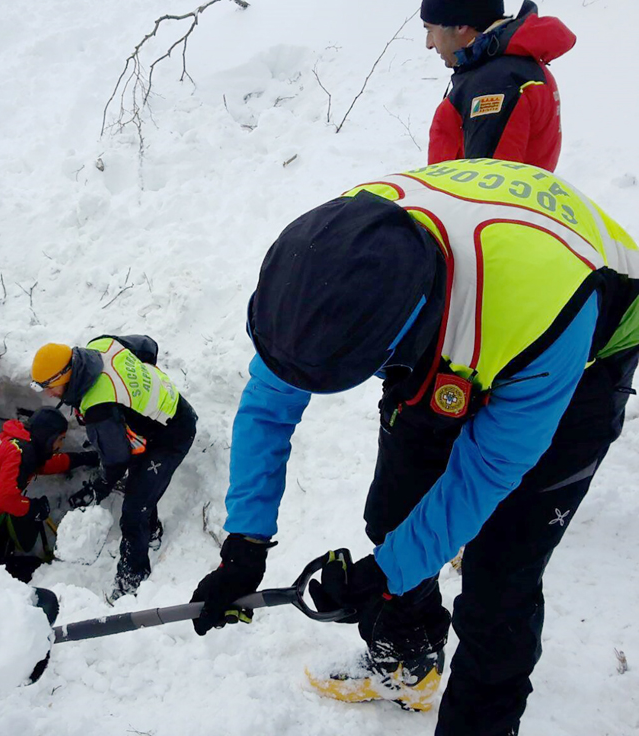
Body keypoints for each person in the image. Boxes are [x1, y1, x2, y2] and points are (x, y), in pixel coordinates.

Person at [190, 159, 639, 736]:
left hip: (582, 348)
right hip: (464, 303)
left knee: (499, 580)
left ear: (402, 335)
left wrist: (387, 574)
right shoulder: (335, 253)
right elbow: (269, 401)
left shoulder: (540, 313)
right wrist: (245, 543)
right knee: (392, 514)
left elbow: (490, 469)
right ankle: (408, 662)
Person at [31, 335, 197, 599]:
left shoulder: (99, 409)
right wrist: (141, 394)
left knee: (133, 509)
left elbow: (117, 460)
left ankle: (133, 580)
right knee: (141, 486)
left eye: (48, 386)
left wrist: (99, 487)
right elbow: (148, 345)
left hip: (172, 434)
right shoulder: (102, 346)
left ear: (66, 375)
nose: (47, 393)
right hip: (166, 410)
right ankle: (151, 532)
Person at [422, 0, 576, 171]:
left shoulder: (495, 86)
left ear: (460, 25)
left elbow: (486, 192)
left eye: (430, 30)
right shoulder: (506, 68)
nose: (429, 43)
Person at [0, 406, 99, 582]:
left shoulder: (18, 442)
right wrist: (32, 508)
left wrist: (84, 459)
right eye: (59, 439)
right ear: (47, 436)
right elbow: (3, 497)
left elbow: (46, 464)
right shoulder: (19, 451)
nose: (60, 445)